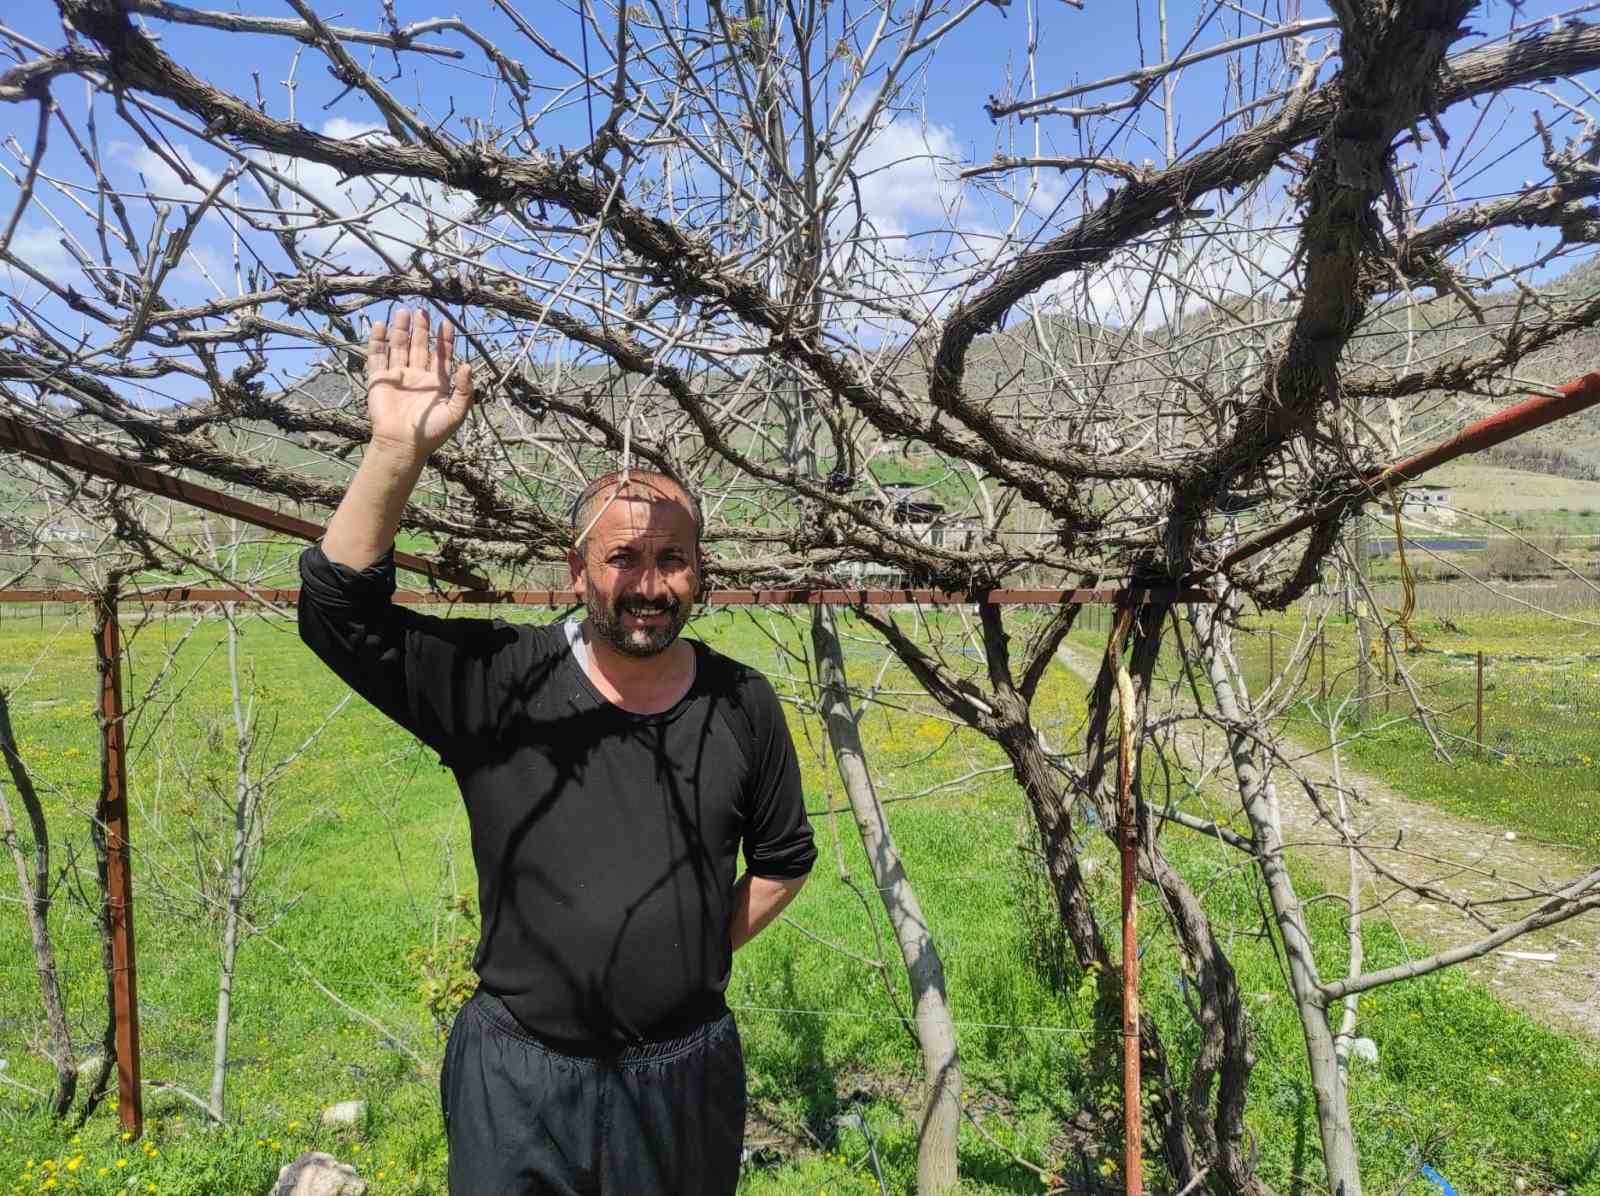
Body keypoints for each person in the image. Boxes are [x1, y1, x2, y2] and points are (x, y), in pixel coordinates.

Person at [297, 308, 815, 1194]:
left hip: (683, 1078)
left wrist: (696, 955)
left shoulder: (743, 704)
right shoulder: (498, 681)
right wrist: (395, 453)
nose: (650, 585)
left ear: (700, 571)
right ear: (577, 570)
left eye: (674, 558)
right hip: (519, 1081)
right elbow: (338, 615)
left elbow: (783, 859)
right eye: (624, 558)